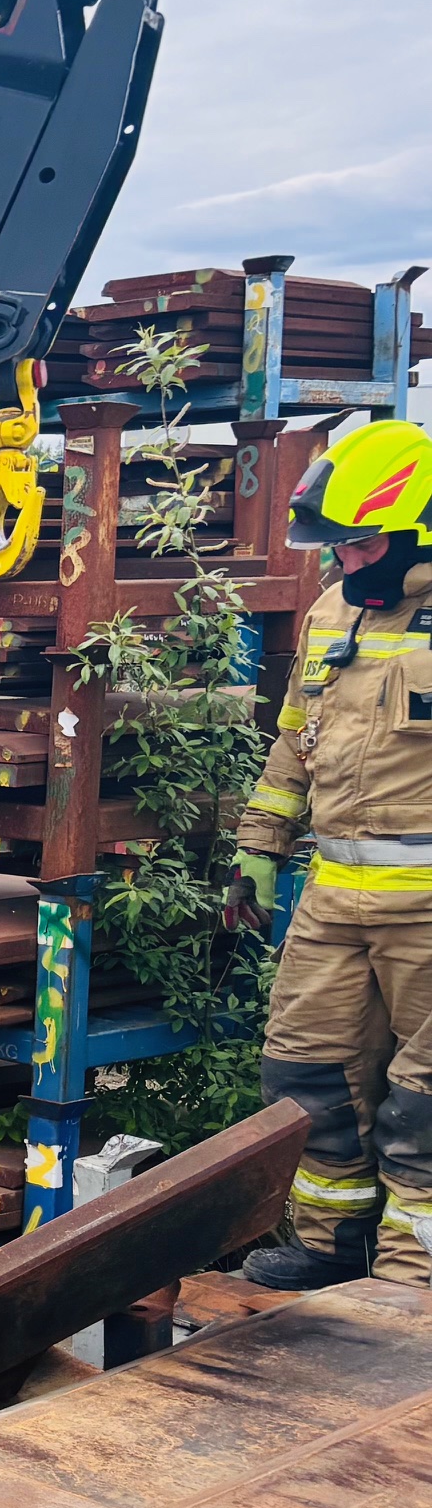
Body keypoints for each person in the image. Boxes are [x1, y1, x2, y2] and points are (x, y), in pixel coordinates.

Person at [235, 418, 432, 1289]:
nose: (346, 561)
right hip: (333, 898)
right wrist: (260, 844)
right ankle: (329, 1249)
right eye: (337, 545)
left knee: (423, 1108)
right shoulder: (330, 612)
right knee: (307, 1071)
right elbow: (294, 738)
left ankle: (409, 1286)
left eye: (362, 543)